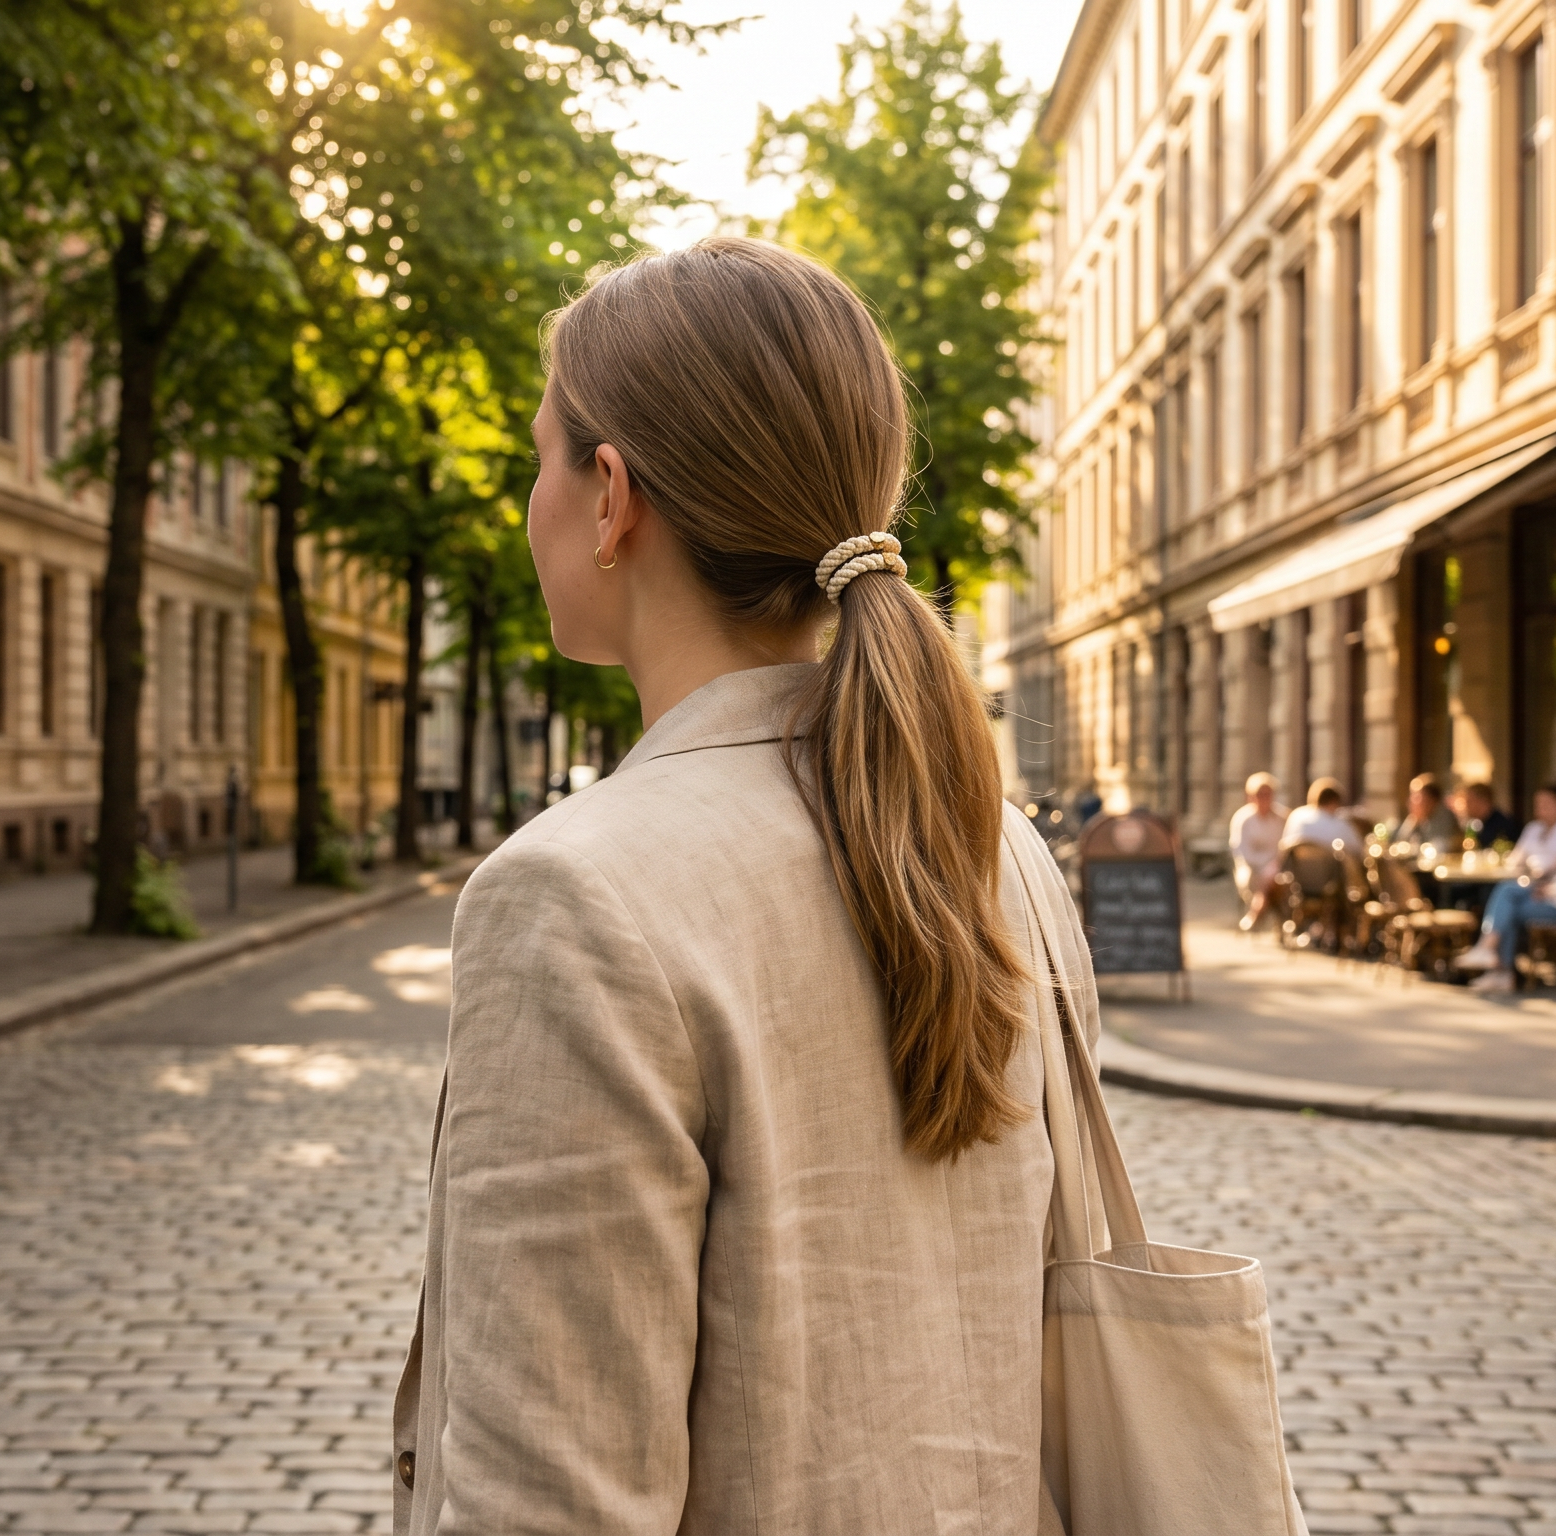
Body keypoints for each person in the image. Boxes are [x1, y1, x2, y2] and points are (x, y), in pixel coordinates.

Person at [397, 238, 1108, 1532]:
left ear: (610, 495)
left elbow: (548, 1500)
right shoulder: (996, 845)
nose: (526, 505)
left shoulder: (574, 896)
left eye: (535, 461)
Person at [1457, 783, 1556, 994]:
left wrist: (1549, 890)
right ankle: (1495, 962)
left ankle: (1496, 963)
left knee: (1508, 902)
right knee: (1508, 893)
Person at [1229, 772, 1284, 931]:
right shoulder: (1243, 819)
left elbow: (1284, 846)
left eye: (1268, 794)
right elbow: (1242, 852)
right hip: (1251, 869)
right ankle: (1258, 914)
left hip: (1275, 869)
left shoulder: (1281, 817)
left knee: (1276, 880)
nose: (1264, 799)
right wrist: (1265, 866)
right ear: (1251, 797)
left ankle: (1255, 914)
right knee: (1265, 881)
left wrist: (1273, 865)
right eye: (1260, 795)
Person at [1504, 783, 1556, 880]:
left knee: (1507, 889)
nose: (1541, 809)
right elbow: (1515, 859)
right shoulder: (1532, 828)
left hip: (1554, 883)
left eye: (1546, 804)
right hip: (1527, 880)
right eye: (1538, 804)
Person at [1281, 777, 1359, 852]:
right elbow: (1357, 848)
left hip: (1296, 864)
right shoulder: (1339, 824)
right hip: (1327, 865)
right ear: (1333, 802)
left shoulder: (1296, 815)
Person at [1393, 772, 1461, 851]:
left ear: (1430, 800)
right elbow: (1400, 842)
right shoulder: (1422, 818)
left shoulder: (1444, 817)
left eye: (1416, 797)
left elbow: (1439, 849)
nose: (1410, 802)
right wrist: (1411, 822)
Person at [1455, 781, 1520, 851]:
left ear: (1482, 801)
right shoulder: (1478, 824)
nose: (1466, 806)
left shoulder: (1504, 825)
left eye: (1469, 801)